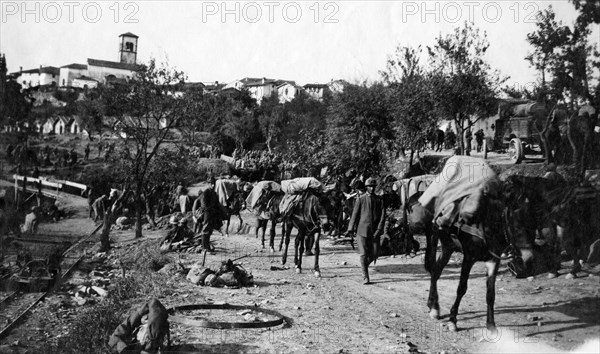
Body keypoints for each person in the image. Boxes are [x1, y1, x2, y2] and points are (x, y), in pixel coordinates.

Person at [347, 177, 386, 285]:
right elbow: (354, 215)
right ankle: (366, 276)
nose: (372, 189)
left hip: (375, 232)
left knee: (375, 253)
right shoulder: (361, 199)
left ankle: (363, 265)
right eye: (369, 187)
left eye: (373, 187)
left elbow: (383, 216)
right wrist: (350, 229)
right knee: (363, 254)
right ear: (366, 187)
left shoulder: (380, 200)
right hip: (362, 231)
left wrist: (379, 229)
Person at [192, 177, 222, 252]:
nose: (213, 185)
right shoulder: (205, 193)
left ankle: (207, 246)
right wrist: (212, 209)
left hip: (212, 214)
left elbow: (217, 204)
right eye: (211, 184)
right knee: (205, 230)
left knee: (210, 231)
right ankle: (204, 248)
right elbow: (204, 206)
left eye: (214, 184)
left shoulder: (214, 194)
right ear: (208, 184)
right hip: (206, 214)